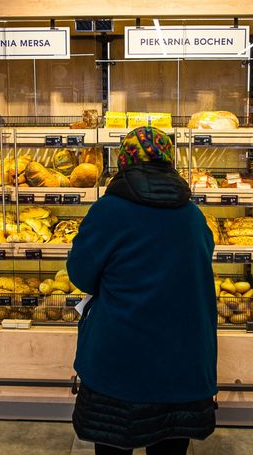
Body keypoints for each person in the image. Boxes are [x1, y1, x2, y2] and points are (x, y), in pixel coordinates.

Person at [67, 126, 217, 455]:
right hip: (182, 360)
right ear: (169, 162)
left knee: (113, 444)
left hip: (120, 361)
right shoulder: (193, 216)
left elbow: (80, 274)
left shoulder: (108, 211)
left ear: (124, 161)